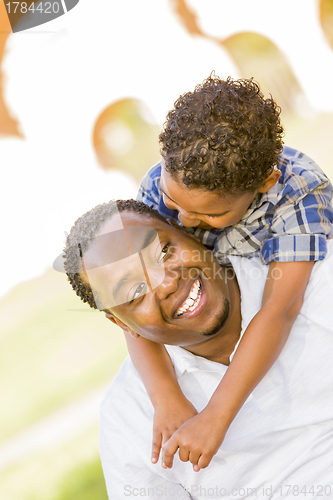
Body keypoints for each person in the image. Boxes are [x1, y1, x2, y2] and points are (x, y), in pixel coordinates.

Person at [63, 199, 333, 499]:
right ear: (122, 325)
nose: (165, 284)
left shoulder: (315, 278)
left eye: (164, 252)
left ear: (189, 232)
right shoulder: (129, 418)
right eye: (135, 291)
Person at [132, 75, 333, 470]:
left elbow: (280, 308)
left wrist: (215, 416)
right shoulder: (158, 187)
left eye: (211, 214)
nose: (184, 219)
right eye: (175, 202)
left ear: (265, 183)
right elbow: (131, 303)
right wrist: (165, 395)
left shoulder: (300, 193)